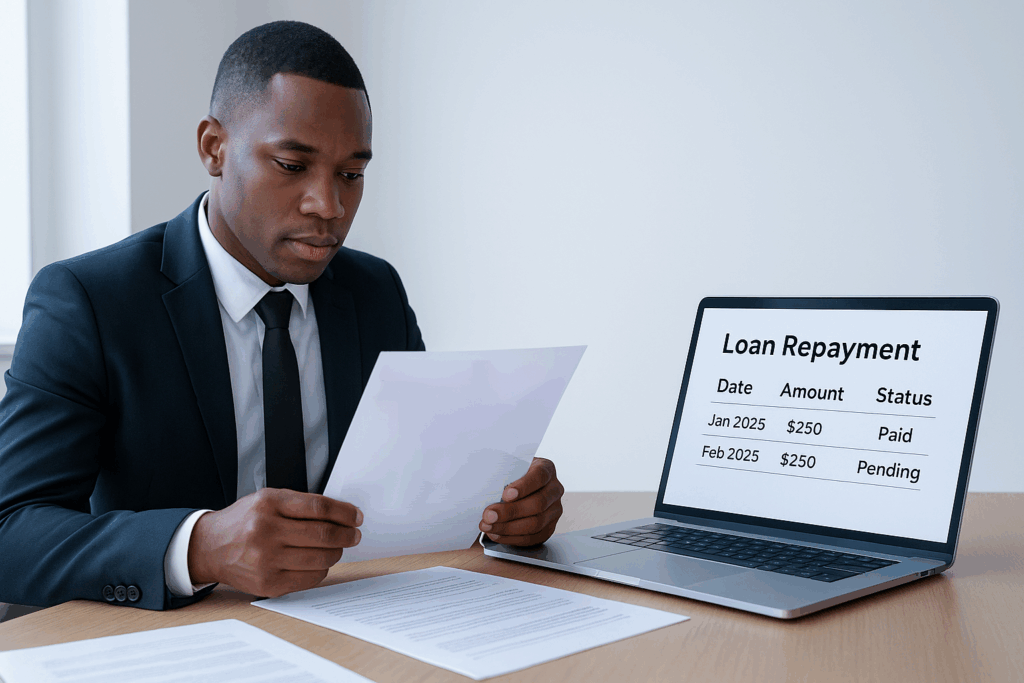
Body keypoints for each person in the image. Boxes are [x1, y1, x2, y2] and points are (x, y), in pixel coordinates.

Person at [0, 20, 564, 611]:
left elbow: (419, 491)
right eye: (293, 166)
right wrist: (197, 547)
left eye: (352, 174)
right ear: (213, 147)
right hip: (171, 642)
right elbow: (12, 532)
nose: (330, 206)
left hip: (353, 629)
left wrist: (504, 508)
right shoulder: (88, 301)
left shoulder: (375, 293)